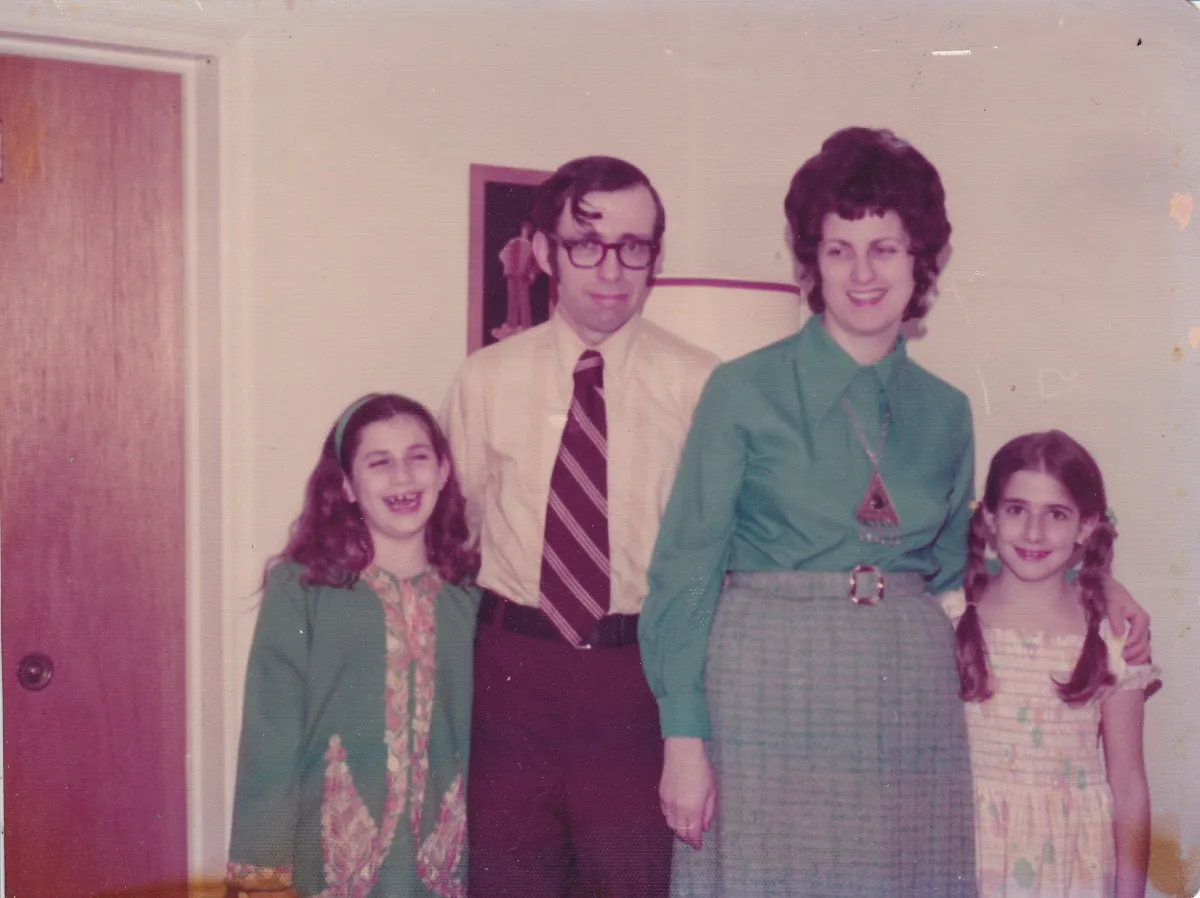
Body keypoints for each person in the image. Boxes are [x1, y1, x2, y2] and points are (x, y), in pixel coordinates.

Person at [638, 127, 1152, 897]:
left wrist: (1090, 579)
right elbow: (684, 569)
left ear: (921, 259)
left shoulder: (945, 412)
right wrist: (684, 737)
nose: (862, 272)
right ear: (812, 262)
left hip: (907, 690)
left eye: (885, 247)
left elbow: (958, 567)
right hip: (768, 683)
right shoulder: (742, 391)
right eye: (839, 249)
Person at [442, 156, 720, 897]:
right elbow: (454, 538)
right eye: (585, 243)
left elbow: (709, 561)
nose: (610, 268)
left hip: (636, 680)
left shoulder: (701, 386)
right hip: (511, 676)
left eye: (634, 246)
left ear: (655, 258)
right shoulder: (485, 380)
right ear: (543, 251)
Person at [226, 393, 480, 898]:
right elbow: (269, 742)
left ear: (445, 470)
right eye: (379, 463)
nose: (403, 477)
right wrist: (261, 878)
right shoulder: (302, 592)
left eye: (418, 457)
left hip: (445, 870)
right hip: (325, 870)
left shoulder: (472, 596)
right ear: (345, 484)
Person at [942, 430, 1159, 898]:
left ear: (1085, 527)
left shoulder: (1111, 635)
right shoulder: (950, 618)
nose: (1034, 533)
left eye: (1056, 515)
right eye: (1017, 510)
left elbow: (1129, 785)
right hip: (967, 856)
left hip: (1071, 866)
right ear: (990, 520)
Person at [494, 221, 539, 340]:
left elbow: (535, 264)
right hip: (512, 274)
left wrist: (531, 275)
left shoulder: (531, 245)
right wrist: (508, 265)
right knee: (512, 300)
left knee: (523, 301)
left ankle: (526, 325)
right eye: (524, 227)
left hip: (522, 274)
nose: (526, 230)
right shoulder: (513, 242)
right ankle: (512, 325)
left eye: (528, 228)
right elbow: (502, 255)